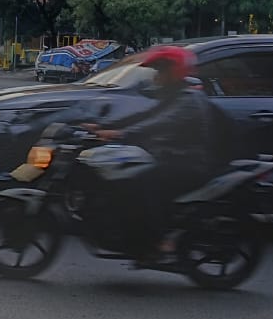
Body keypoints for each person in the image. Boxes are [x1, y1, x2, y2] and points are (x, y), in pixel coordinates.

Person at [83, 45, 213, 260]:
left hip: (186, 162)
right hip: (167, 155)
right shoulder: (172, 95)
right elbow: (143, 115)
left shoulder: (188, 100)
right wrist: (101, 126)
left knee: (142, 181)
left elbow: (157, 123)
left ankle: (162, 239)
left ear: (173, 73)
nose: (156, 77)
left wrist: (118, 133)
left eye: (160, 72)